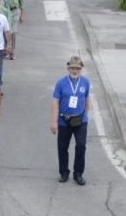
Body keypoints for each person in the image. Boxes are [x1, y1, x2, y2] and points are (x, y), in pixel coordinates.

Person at [50, 55, 90, 185]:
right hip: (64, 120)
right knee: (62, 147)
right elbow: (55, 102)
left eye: (77, 68)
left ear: (81, 69)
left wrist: (86, 116)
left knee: (81, 146)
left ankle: (78, 173)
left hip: (80, 120)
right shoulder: (61, 83)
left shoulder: (85, 82)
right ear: (68, 68)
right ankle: (64, 172)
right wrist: (54, 121)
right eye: (72, 68)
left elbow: (87, 100)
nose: (74, 71)